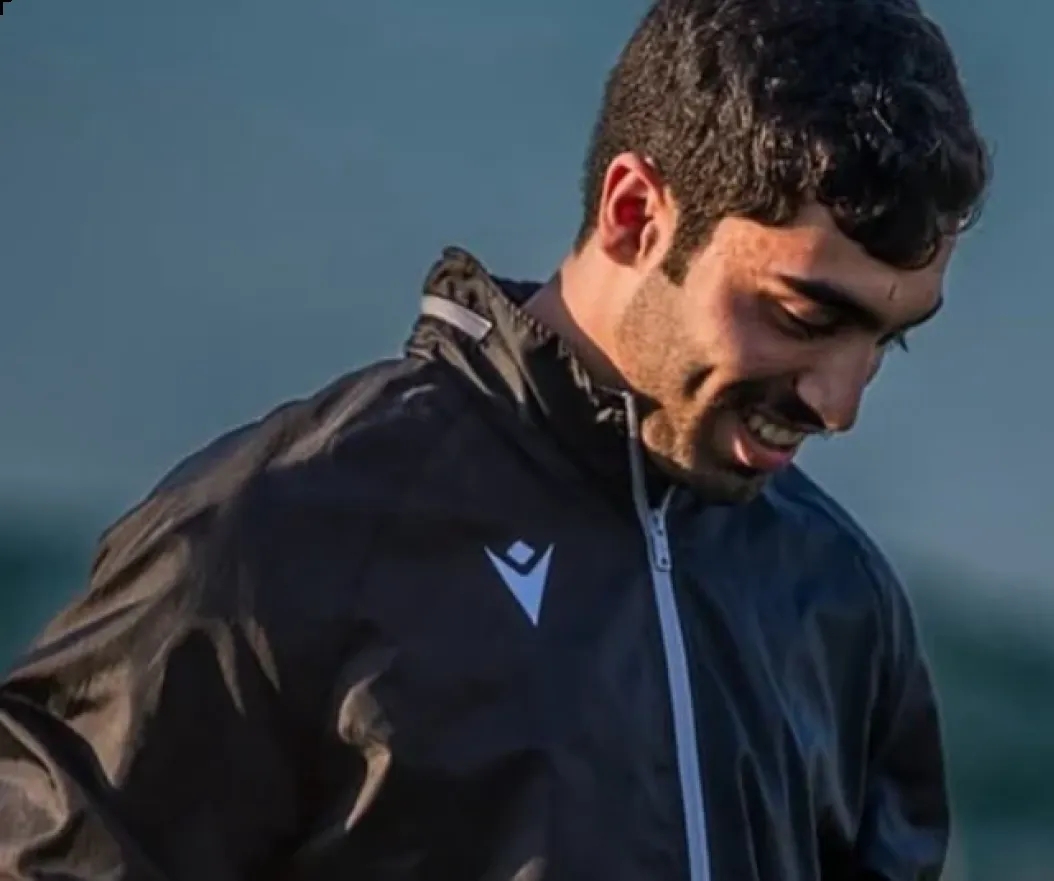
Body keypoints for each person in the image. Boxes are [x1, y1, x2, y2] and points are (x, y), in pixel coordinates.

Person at [0, 0, 989, 877]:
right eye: (801, 316)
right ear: (634, 214)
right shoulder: (278, 535)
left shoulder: (842, 601)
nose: (838, 402)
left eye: (886, 338)